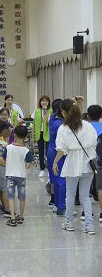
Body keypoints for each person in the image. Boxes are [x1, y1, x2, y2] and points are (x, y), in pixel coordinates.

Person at [53, 99, 97, 235]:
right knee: (85, 196)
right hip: (88, 164)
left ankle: (69, 222)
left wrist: (55, 162)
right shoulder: (88, 126)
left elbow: (61, 149)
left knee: (70, 195)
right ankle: (89, 226)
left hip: (72, 163)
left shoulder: (63, 128)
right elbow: (94, 142)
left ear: (65, 113)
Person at [2, 126, 33, 226]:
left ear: (14, 134)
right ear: (25, 136)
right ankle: (21, 216)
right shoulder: (27, 151)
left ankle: (12, 217)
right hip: (21, 175)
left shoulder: (8, 148)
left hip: (10, 175)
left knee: (10, 197)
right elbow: (28, 166)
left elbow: (3, 160)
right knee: (22, 197)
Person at [47, 99, 65, 213]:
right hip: (58, 152)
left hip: (50, 151)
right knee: (61, 179)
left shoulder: (52, 118)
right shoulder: (60, 125)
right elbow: (62, 144)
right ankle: (61, 206)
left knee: (55, 179)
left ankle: (56, 204)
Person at [87, 105, 102, 223]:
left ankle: (86, 213)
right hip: (100, 161)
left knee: (85, 187)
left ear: (88, 116)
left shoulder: (85, 127)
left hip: (86, 160)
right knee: (100, 187)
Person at [31, 96, 52, 178]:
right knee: (41, 152)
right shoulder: (36, 111)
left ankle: (50, 170)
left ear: (48, 103)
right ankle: (42, 169)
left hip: (48, 134)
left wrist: (45, 112)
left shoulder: (51, 111)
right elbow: (33, 125)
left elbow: (49, 122)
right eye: (43, 101)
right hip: (39, 134)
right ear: (40, 102)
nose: (44, 102)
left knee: (48, 153)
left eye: (46, 101)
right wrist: (33, 136)